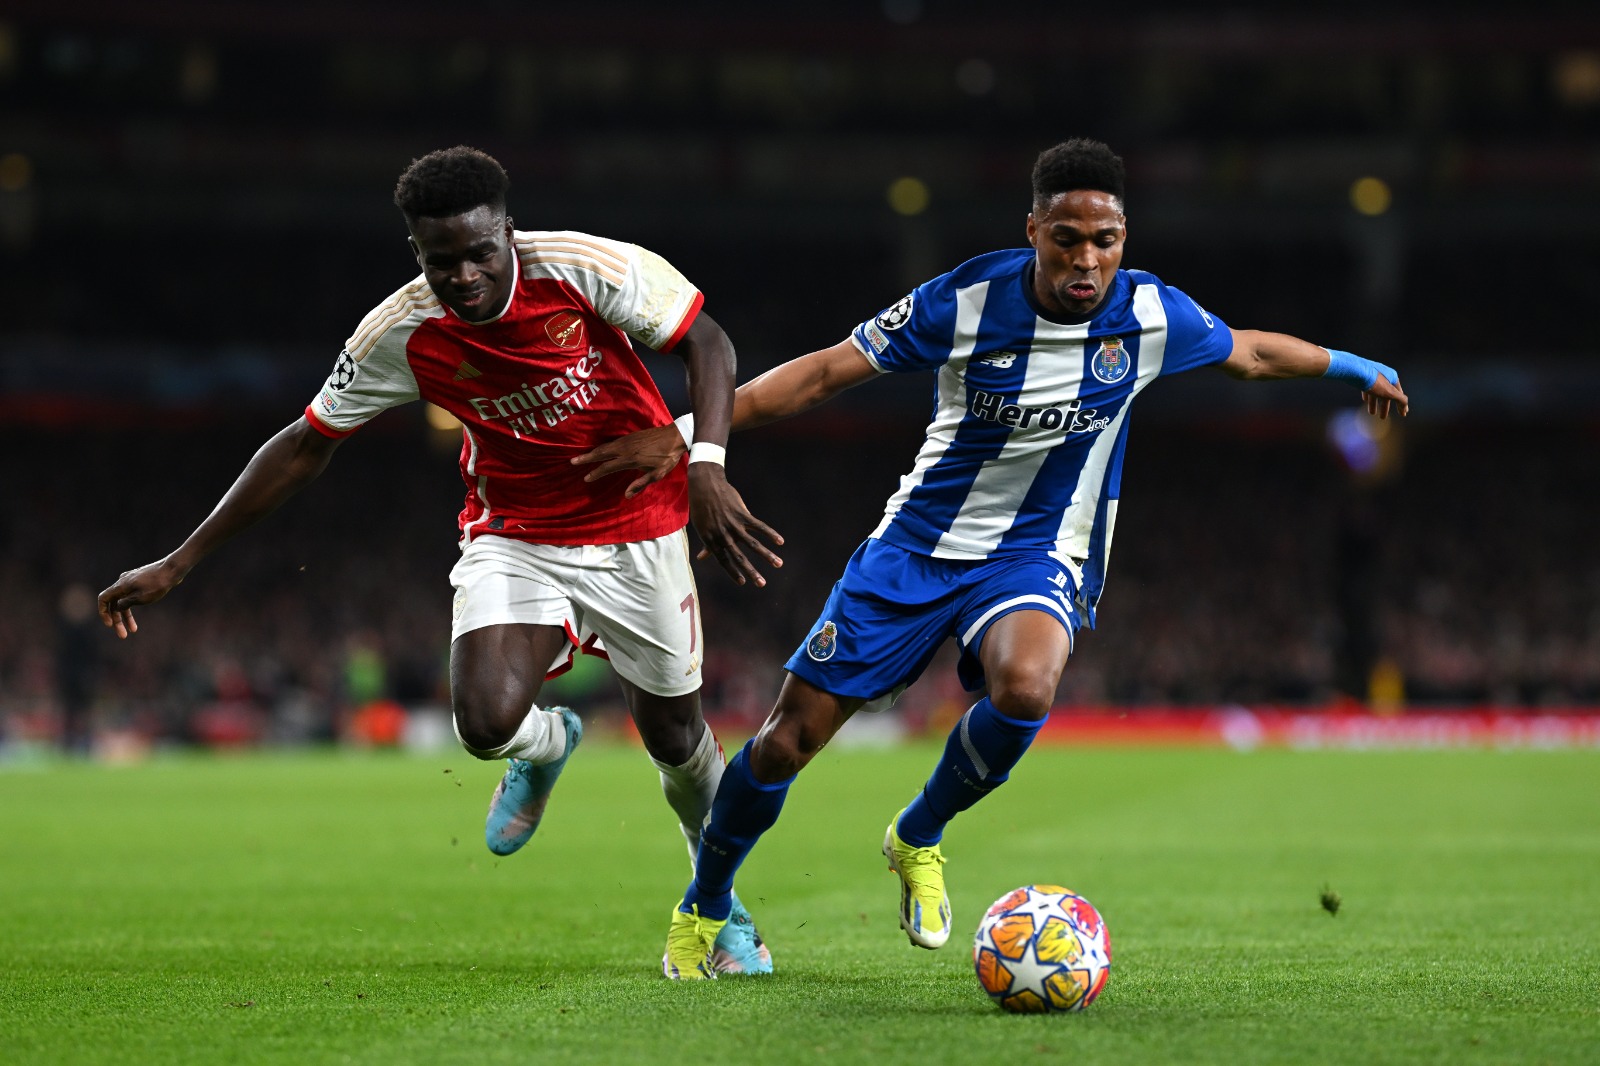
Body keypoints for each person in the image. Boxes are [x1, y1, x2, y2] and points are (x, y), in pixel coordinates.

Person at [575, 138, 1409, 979]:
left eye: (1106, 241)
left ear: (1125, 238)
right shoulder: (964, 300)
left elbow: (1252, 353)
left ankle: (920, 833)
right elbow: (826, 374)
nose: (1088, 260)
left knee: (1027, 685)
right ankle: (705, 904)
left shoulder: (1152, 315)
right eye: (1067, 239)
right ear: (1034, 230)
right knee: (788, 742)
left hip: (1038, 555)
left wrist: (1355, 365)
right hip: (914, 550)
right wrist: (687, 437)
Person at [96, 146, 784, 974]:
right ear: (416, 253)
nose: (461, 275)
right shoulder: (400, 331)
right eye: (439, 259)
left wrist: (702, 460)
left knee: (675, 738)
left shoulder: (585, 270)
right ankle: (547, 749)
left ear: (509, 233)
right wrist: (180, 561)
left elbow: (708, 343)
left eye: (478, 252)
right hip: (515, 534)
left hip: (638, 527)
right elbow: (304, 447)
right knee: (485, 721)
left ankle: (716, 901)